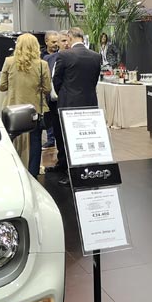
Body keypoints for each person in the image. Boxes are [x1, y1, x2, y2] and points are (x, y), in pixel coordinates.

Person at [52, 27, 103, 185]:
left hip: (69, 105)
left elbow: (56, 80)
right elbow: (95, 80)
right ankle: (90, 172)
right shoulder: (96, 56)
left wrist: (64, 94)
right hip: (89, 103)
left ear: (70, 37)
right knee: (88, 139)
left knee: (70, 140)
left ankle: (72, 175)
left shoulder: (64, 55)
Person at [0, 33, 52, 177]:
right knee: (35, 142)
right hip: (34, 109)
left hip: (12, 109)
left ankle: (12, 171)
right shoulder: (42, 64)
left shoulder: (9, 61)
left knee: (11, 141)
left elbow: (2, 86)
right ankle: (33, 174)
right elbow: (47, 89)